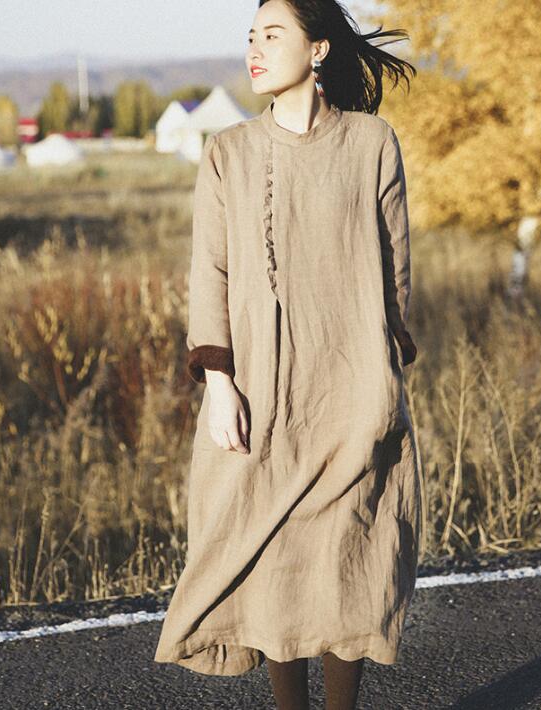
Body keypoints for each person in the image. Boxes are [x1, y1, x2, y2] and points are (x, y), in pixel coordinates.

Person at [154, 1, 420, 708]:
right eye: (251, 37)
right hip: (260, 392)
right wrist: (219, 381)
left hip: (352, 389)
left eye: (273, 35)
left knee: (348, 565)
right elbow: (208, 271)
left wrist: (385, 369)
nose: (255, 49)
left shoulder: (371, 142)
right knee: (273, 565)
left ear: (319, 48)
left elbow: (395, 264)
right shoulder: (228, 152)